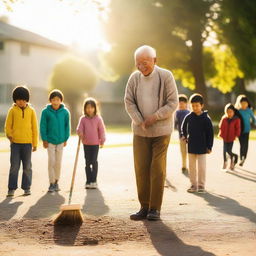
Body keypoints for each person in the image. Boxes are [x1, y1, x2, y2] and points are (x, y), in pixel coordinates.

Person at [124, 45, 178, 221]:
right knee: (141, 168)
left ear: (155, 60)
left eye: (145, 62)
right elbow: (128, 101)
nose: (141, 66)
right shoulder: (134, 78)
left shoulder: (166, 76)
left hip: (161, 131)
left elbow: (173, 102)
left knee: (157, 168)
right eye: (138, 63)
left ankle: (155, 208)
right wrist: (140, 119)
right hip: (140, 131)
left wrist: (155, 117)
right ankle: (144, 206)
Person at [5, 86, 38, 197]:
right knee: (14, 166)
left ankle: (26, 187)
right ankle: (11, 188)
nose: (21, 102)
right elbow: (8, 125)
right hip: (15, 144)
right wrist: (10, 136)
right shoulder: (12, 110)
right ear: (15, 100)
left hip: (27, 144)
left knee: (27, 167)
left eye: (23, 100)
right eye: (19, 99)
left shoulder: (31, 111)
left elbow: (35, 128)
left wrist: (35, 143)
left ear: (27, 100)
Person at [181, 93, 213, 194]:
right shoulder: (189, 117)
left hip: (203, 147)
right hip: (191, 146)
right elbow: (183, 127)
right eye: (192, 106)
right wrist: (185, 136)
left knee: (202, 167)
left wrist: (209, 146)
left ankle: (201, 185)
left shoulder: (206, 119)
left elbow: (210, 134)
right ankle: (193, 184)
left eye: (197, 105)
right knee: (192, 167)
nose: (194, 108)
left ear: (202, 105)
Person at [40, 89, 70, 193]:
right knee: (51, 162)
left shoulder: (65, 112)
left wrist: (66, 139)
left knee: (58, 162)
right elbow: (42, 126)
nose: (55, 102)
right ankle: (51, 183)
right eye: (53, 100)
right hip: (50, 141)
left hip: (61, 141)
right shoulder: (45, 112)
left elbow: (67, 126)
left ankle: (56, 182)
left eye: (57, 100)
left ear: (61, 100)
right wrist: (44, 139)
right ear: (50, 101)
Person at [77, 97, 106, 189]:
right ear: (85, 108)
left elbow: (102, 130)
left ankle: (94, 180)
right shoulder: (83, 119)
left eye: (92, 107)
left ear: (95, 108)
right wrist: (80, 133)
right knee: (87, 162)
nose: (89, 109)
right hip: (86, 144)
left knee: (94, 161)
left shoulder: (98, 119)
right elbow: (79, 128)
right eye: (88, 107)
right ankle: (88, 181)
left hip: (95, 144)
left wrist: (102, 140)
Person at [235, 95, 256, 166]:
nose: (244, 104)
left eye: (245, 103)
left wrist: (255, 123)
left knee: (246, 144)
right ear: (239, 103)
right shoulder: (238, 111)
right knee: (241, 144)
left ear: (247, 103)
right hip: (240, 130)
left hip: (247, 130)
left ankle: (244, 157)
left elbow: (253, 119)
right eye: (242, 103)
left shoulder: (249, 110)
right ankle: (241, 158)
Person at [218, 103, 241, 170]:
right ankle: (225, 162)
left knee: (229, 150)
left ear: (234, 112)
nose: (229, 113)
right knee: (224, 150)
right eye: (227, 112)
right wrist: (221, 133)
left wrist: (237, 135)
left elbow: (238, 128)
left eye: (230, 112)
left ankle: (233, 159)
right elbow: (221, 126)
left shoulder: (236, 119)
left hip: (231, 137)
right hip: (225, 137)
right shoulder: (224, 118)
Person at [174, 94, 190, 173]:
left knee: (189, 151)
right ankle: (184, 165)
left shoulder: (188, 112)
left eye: (182, 103)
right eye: (179, 103)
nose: (180, 104)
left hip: (189, 136)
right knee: (183, 151)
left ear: (186, 104)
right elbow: (176, 124)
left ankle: (190, 164)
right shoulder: (177, 113)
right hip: (181, 136)